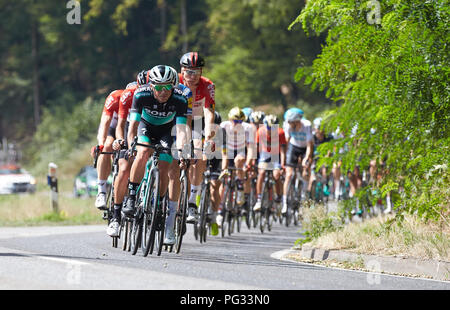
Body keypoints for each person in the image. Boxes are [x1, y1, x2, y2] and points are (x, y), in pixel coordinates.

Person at [121, 65, 189, 246]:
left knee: (165, 166)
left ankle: (159, 203)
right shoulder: (141, 95)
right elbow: (133, 126)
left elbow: (181, 130)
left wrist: (181, 151)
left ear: (174, 86)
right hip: (146, 127)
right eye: (158, 87)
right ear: (151, 86)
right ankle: (132, 196)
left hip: (168, 131)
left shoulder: (180, 99)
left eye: (167, 86)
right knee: (142, 152)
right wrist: (131, 146)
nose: (163, 91)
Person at [106, 71, 147, 237]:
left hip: (148, 131)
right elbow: (121, 124)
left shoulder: (160, 96)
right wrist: (122, 141)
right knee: (123, 167)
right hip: (129, 129)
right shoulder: (129, 95)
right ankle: (116, 216)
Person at [178, 52, 216, 224]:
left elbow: (209, 112)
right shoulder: (175, 82)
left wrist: (209, 134)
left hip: (197, 123)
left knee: (199, 151)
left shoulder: (207, 85)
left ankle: (193, 200)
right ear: (182, 71)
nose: (192, 76)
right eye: (188, 72)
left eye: (196, 72)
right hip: (176, 121)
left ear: (201, 72)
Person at [218, 107, 256, 217]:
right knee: (224, 175)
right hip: (227, 149)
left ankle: (240, 187)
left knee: (239, 161)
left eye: (240, 121)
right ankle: (221, 207)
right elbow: (220, 145)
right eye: (235, 121)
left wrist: (248, 163)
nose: (238, 124)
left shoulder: (248, 128)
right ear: (230, 119)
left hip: (241, 150)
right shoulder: (224, 126)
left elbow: (250, 148)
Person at [91, 88, 124, 210]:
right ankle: (101, 191)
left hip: (129, 129)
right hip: (113, 126)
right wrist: (100, 145)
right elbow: (105, 123)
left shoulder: (141, 99)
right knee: (107, 146)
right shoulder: (115, 98)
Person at [282, 108, 313, 215]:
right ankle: (285, 202)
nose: (289, 124)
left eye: (291, 122)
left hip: (305, 148)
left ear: (297, 121)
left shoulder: (307, 125)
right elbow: (286, 142)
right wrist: (284, 159)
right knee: (289, 174)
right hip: (294, 146)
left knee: (305, 169)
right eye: (288, 122)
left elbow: (309, 145)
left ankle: (304, 194)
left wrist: (306, 158)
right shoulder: (287, 125)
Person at [253, 114, 286, 212]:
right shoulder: (260, 131)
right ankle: (259, 200)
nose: (270, 130)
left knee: (276, 176)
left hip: (276, 155)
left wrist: (282, 165)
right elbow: (256, 149)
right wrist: (254, 163)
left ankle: (279, 196)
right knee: (261, 173)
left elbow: (283, 151)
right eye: (268, 127)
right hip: (264, 155)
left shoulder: (280, 133)